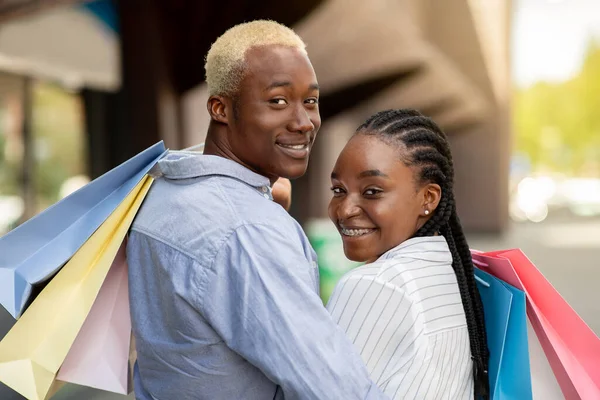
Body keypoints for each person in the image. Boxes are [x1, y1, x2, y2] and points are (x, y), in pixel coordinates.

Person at [127, 20, 387, 400]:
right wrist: (260, 217)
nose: (303, 122)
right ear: (221, 109)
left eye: (310, 101)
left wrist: (262, 201)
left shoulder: (161, 191)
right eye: (277, 101)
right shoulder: (248, 231)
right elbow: (334, 388)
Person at [325, 109, 490, 399]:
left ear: (428, 198)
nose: (345, 210)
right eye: (338, 189)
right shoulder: (451, 275)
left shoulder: (376, 285)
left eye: (372, 191)